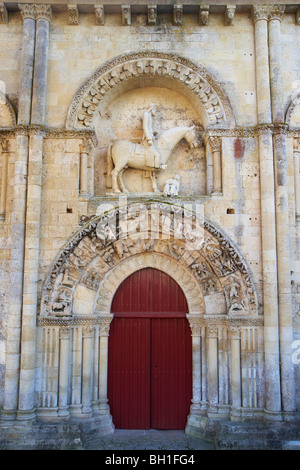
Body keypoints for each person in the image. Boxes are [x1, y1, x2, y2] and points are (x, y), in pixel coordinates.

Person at [141, 104, 161, 169]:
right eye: (155, 109)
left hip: (150, 138)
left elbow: (149, 128)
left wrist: (153, 133)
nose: (155, 111)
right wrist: (148, 138)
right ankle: (155, 168)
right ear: (152, 108)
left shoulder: (150, 116)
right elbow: (145, 127)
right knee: (156, 155)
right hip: (147, 139)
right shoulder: (146, 114)